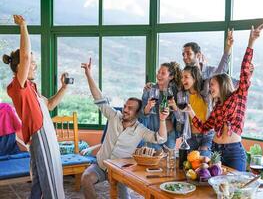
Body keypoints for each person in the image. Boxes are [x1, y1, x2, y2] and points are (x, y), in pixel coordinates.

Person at [80, 58, 169, 199]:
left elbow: (160, 138)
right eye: (125, 106)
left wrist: (162, 120)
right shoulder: (114, 116)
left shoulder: (140, 129)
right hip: (101, 165)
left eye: (130, 108)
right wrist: (88, 74)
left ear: (137, 113)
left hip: (120, 171)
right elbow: (99, 97)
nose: (125, 109)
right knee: (86, 178)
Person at [186, 24, 263, 171]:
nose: (209, 87)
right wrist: (191, 111)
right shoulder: (217, 107)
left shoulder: (238, 96)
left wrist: (251, 43)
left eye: (212, 84)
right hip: (216, 151)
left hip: (234, 152)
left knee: (236, 188)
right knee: (216, 190)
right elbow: (204, 127)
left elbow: (244, 71)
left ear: (222, 84)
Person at [3, 15, 67, 199]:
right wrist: (23, 26)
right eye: (31, 62)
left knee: (40, 181)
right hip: (41, 135)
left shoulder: (31, 87)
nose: (34, 65)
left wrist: (64, 87)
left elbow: (50, 104)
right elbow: (24, 54)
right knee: (51, 181)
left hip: (46, 134)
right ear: (20, 67)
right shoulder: (18, 86)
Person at [170, 65, 213, 157]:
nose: (182, 80)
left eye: (186, 77)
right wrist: (174, 107)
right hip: (190, 136)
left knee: (203, 160)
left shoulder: (206, 93)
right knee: (188, 165)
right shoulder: (181, 95)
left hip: (207, 135)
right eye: (182, 77)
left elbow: (218, 73)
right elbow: (181, 119)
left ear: (195, 78)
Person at [141, 62, 181, 150]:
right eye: (158, 72)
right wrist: (148, 106)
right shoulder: (149, 90)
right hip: (154, 134)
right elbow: (143, 113)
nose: (159, 75)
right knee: (154, 161)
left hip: (170, 134)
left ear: (171, 77)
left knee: (168, 161)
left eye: (163, 73)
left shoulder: (176, 91)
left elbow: (180, 116)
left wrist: (174, 106)